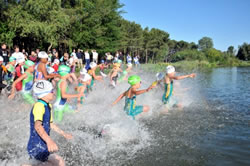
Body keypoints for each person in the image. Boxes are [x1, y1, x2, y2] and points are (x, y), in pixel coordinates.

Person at [27, 80, 72, 166]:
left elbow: (50, 124)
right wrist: (49, 141)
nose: (54, 93)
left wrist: (63, 133)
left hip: (43, 144)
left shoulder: (47, 106)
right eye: (52, 91)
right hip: (36, 145)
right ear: (45, 94)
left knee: (60, 161)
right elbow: (38, 126)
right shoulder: (39, 106)